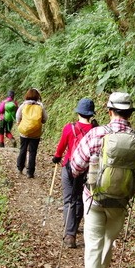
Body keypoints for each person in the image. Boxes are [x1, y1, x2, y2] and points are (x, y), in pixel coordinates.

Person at [70, 92, 135, 268]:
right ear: (130, 113)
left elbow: (76, 166)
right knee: (109, 240)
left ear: (109, 111)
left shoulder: (97, 134)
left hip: (95, 199)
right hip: (121, 202)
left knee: (93, 247)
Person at [51, 98, 97, 249]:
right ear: (91, 114)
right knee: (80, 198)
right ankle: (75, 226)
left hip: (70, 166)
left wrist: (57, 157)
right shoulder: (96, 130)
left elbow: (61, 146)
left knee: (69, 199)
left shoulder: (69, 128)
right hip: (88, 170)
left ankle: (70, 235)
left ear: (78, 112)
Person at [15, 87, 47, 178]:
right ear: (37, 96)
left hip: (24, 132)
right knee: (33, 152)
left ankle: (20, 167)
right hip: (36, 133)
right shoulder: (40, 106)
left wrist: (20, 124)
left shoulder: (23, 105)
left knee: (23, 149)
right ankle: (30, 172)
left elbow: (17, 117)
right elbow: (45, 119)